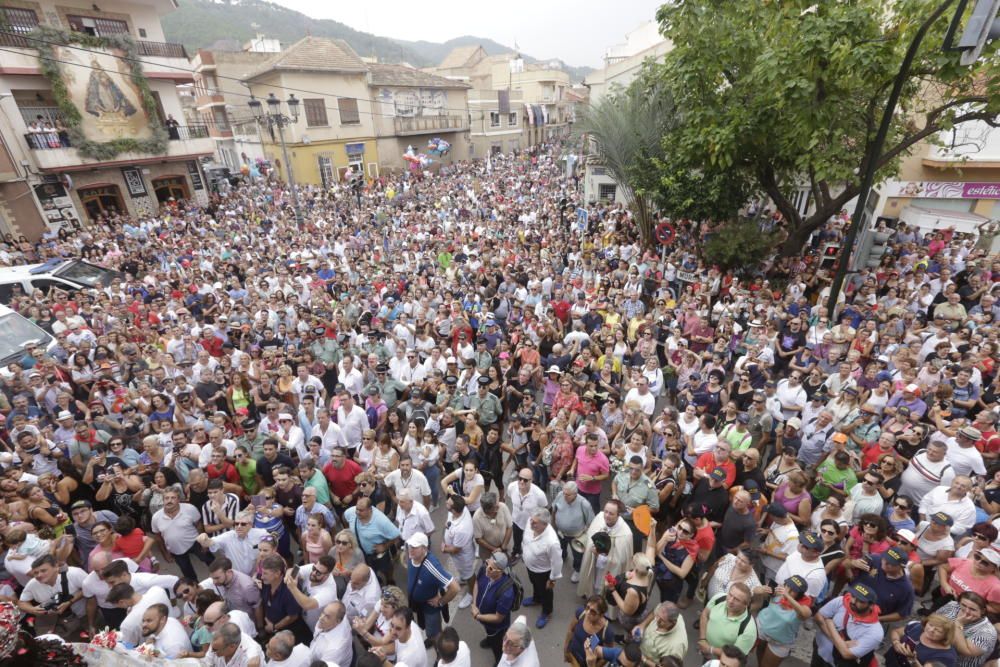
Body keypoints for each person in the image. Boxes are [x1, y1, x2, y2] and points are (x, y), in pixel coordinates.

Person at [812, 582, 884, 667]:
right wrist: (842, 643)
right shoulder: (841, 601)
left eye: (860, 601)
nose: (853, 601)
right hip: (820, 650)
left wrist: (830, 625)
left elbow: (846, 654)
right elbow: (818, 617)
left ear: (871, 606)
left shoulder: (875, 632)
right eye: (853, 596)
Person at [405, 531, 459, 643]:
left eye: (414, 547)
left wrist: (440, 602)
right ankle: (431, 637)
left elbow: (455, 588)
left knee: (435, 635)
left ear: (424, 549)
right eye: (410, 545)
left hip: (430, 608)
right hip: (418, 605)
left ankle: (439, 652)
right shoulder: (411, 557)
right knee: (426, 628)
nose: (410, 549)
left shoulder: (432, 567)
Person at [576, 500, 634, 599]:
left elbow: (621, 561)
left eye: (611, 513)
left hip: (608, 569)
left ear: (618, 515)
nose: (606, 515)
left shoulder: (625, 533)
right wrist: (591, 548)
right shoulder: (599, 518)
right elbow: (590, 537)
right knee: (592, 582)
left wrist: (600, 556)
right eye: (606, 511)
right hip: (593, 563)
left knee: (600, 588)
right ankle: (589, 594)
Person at [755, 575, 813, 667]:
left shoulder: (803, 606)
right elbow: (756, 591)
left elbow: (804, 614)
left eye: (792, 590)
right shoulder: (778, 592)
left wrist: (787, 596)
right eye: (787, 586)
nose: (787, 590)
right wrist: (762, 589)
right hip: (762, 630)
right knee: (759, 656)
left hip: (779, 642)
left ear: (799, 594)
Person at [520, 507, 562, 628]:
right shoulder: (530, 524)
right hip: (530, 566)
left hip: (543, 572)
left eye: (535, 522)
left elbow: (557, 562)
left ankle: (547, 612)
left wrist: (552, 579)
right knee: (534, 583)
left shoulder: (552, 541)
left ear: (545, 524)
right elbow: (525, 540)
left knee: (546, 592)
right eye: (531, 520)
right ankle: (536, 599)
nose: (531, 523)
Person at [343, 496, 401, 585]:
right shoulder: (351, 512)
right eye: (357, 509)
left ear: (370, 510)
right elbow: (344, 517)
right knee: (369, 571)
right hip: (360, 553)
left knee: (386, 568)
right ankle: (375, 580)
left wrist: (385, 546)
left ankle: (390, 581)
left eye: (361, 510)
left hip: (377, 554)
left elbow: (396, 535)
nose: (357, 512)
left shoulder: (381, 521)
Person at [471, 551, 518, 662]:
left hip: (496, 627)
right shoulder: (484, 569)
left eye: (491, 568)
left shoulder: (506, 593)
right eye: (487, 563)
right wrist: (474, 604)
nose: (487, 569)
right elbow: (477, 583)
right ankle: (489, 638)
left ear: (500, 571)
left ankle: (499, 660)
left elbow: (498, 618)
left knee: (497, 644)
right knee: (489, 632)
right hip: (482, 616)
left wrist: (477, 616)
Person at [936, 591, 997, 667]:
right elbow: (934, 619)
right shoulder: (953, 605)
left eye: (972, 609)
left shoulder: (987, 632)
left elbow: (966, 651)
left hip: (958, 663)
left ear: (983, 611)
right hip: (937, 648)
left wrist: (958, 624)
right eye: (963, 605)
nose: (967, 611)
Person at [698, 581, 757, 660]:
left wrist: (710, 649)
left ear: (745, 605)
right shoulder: (719, 598)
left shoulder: (749, 629)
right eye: (730, 594)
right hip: (706, 649)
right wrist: (703, 639)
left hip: (724, 661)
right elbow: (705, 615)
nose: (730, 601)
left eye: (737, 599)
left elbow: (737, 654)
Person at [441, 493, 476, 609]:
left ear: (455, 510)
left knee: (469, 574)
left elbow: (456, 549)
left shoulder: (462, 529)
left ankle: (471, 593)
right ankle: (463, 578)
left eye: (448, 504)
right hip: (457, 553)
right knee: (463, 573)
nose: (446, 503)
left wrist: (444, 549)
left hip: (462, 556)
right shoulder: (461, 508)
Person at [886, 614, 959, 667]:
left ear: (946, 635)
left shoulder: (947, 656)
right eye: (930, 625)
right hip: (891, 660)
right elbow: (896, 632)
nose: (931, 630)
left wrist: (912, 660)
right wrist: (896, 642)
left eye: (938, 630)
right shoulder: (918, 627)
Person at [507, 467, 548, 559]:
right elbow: (510, 497)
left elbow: (544, 509)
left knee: (529, 543)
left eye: (525, 480)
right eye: (520, 478)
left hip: (531, 525)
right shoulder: (512, 487)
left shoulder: (539, 494)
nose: (521, 482)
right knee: (517, 540)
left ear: (531, 480)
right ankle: (516, 552)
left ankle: (528, 556)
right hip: (516, 521)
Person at [308, 601, 352, 666]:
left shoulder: (334, 649)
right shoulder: (335, 616)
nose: (321, 618)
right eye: (323, 612)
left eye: (327, 617)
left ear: (338, 621)